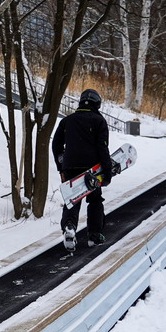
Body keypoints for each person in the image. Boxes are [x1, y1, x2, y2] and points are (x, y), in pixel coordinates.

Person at [52, 88, 113, 252]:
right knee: (94, 200)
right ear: (97, 104)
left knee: (72, 199)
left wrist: (61, 167)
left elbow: (56, 145)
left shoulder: (67, 121)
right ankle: (94, 235)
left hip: (70, 166)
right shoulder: (99, 121)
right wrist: (107, 172)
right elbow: (103, 147)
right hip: (92, 169)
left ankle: (70, 227)